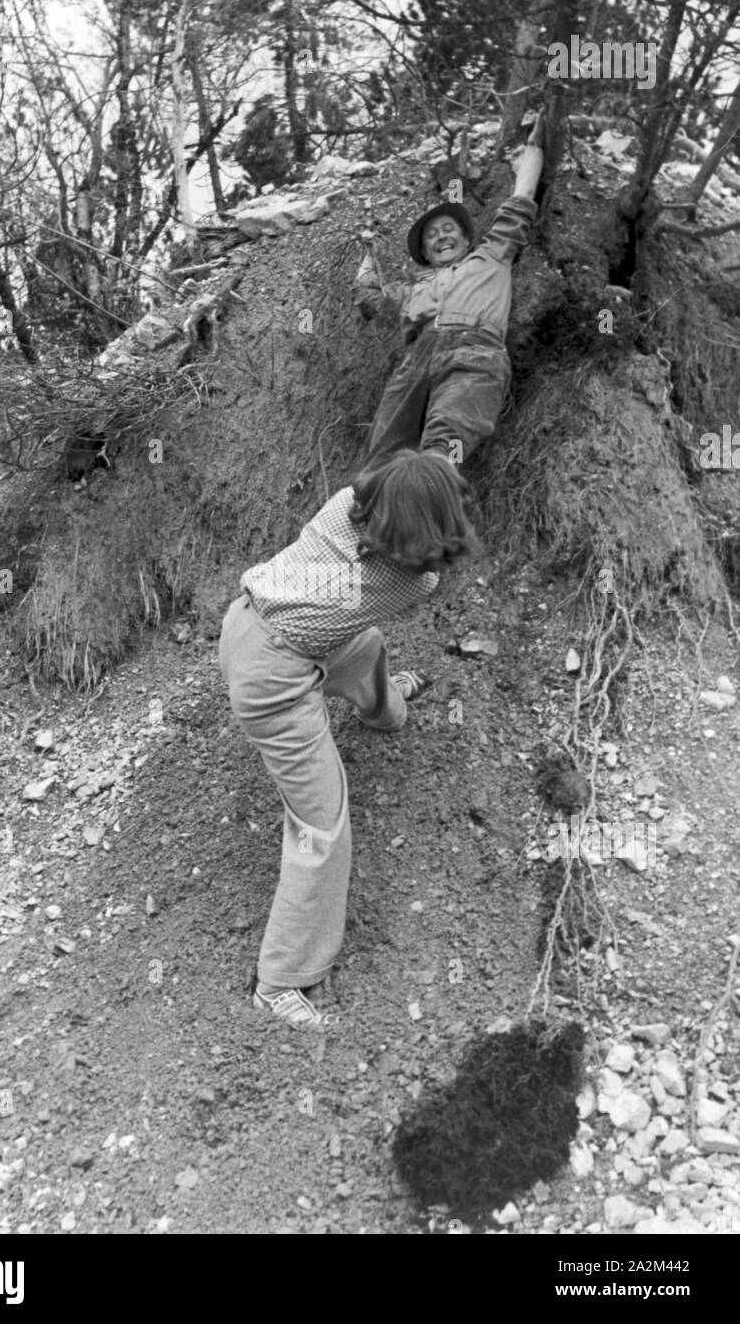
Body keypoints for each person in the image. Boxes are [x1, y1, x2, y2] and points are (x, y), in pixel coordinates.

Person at [218, 448, 480, 1030]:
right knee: (321, 828)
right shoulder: (414, 583)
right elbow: (429, 554)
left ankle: (385, 710)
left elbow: (406, 480)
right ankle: (281, 979)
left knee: (364, 646)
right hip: (272, 684)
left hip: (243, 622)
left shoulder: (340, 508)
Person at [355, 113, 545, 467]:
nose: (441, 236)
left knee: (444, 451)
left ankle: (432, 507)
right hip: (416, 361)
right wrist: (365, 254)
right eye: (432, 235)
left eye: (448, 229)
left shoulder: (493, 253)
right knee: (380, 458)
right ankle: (363, 515)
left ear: (466, 237)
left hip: (475, 356)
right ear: (424, 254)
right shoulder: (413, 287)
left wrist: (537, 139)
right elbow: (369, 300)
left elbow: (522, 197)